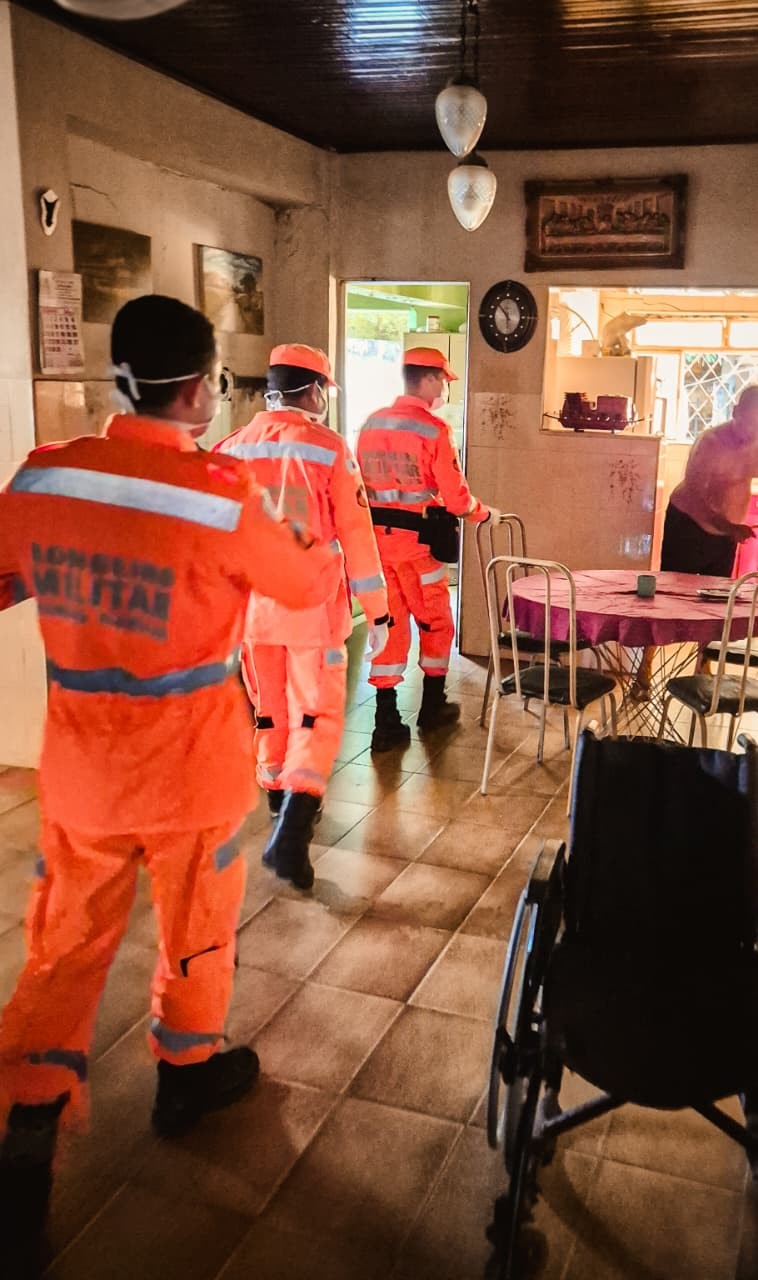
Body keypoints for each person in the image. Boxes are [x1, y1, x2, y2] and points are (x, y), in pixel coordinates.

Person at [0, 296, 338, 1275]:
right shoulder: (220, 495)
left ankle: (28, 1125)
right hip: (191, 772)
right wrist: (302, 545)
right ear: (201, 387)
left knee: (62, 947)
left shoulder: (45, 475)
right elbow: (302, 587)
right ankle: (185, 1074)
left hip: (80, 770)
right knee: (197, 930)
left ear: (119, 380)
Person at [215, 344, 389, 890]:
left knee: (269, 710)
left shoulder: (229, 448)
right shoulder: (329, 449)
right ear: (313, 391)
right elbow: (358, 539)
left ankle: (275, 800)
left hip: (252, 613)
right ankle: (292, 832)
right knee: (315, 717)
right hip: (311, 611)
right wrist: (379, 614)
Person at [356, 346, 499, 751]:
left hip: (378, 549)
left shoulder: (370, 424)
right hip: (419, 549)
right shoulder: (434, 430)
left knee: (388, 626)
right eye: (444, 382)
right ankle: (432, 707)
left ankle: (386, 719)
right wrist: (483, 514)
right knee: (437, 623)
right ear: (431, 379)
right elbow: (456, 499)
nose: (445, 390)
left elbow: (360, 489)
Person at [660, 385, 758, 575]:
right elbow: (697, 497)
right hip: (689, 525)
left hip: (726, 533)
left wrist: (730, 529)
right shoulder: (711, 443)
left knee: (717, 595)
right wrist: (729, 527)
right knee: (676, 593)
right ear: (735, 412)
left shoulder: (755, 444)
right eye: (749, 423)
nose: (752, 432)